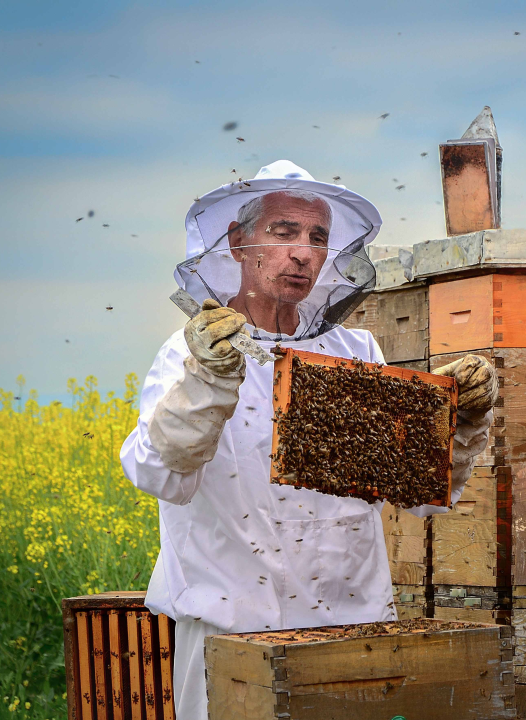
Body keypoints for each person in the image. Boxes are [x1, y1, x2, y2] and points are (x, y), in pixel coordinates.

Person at [120, 160, 496, 720]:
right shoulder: (188, 353)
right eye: (284, 232)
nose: (302, 252)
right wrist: (206, 382)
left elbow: (421, 493)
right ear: (238, 243)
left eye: (318, 238)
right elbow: (159, 473)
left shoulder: (356, 351)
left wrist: (458, 421)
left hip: (354, 630)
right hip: (234, 632)